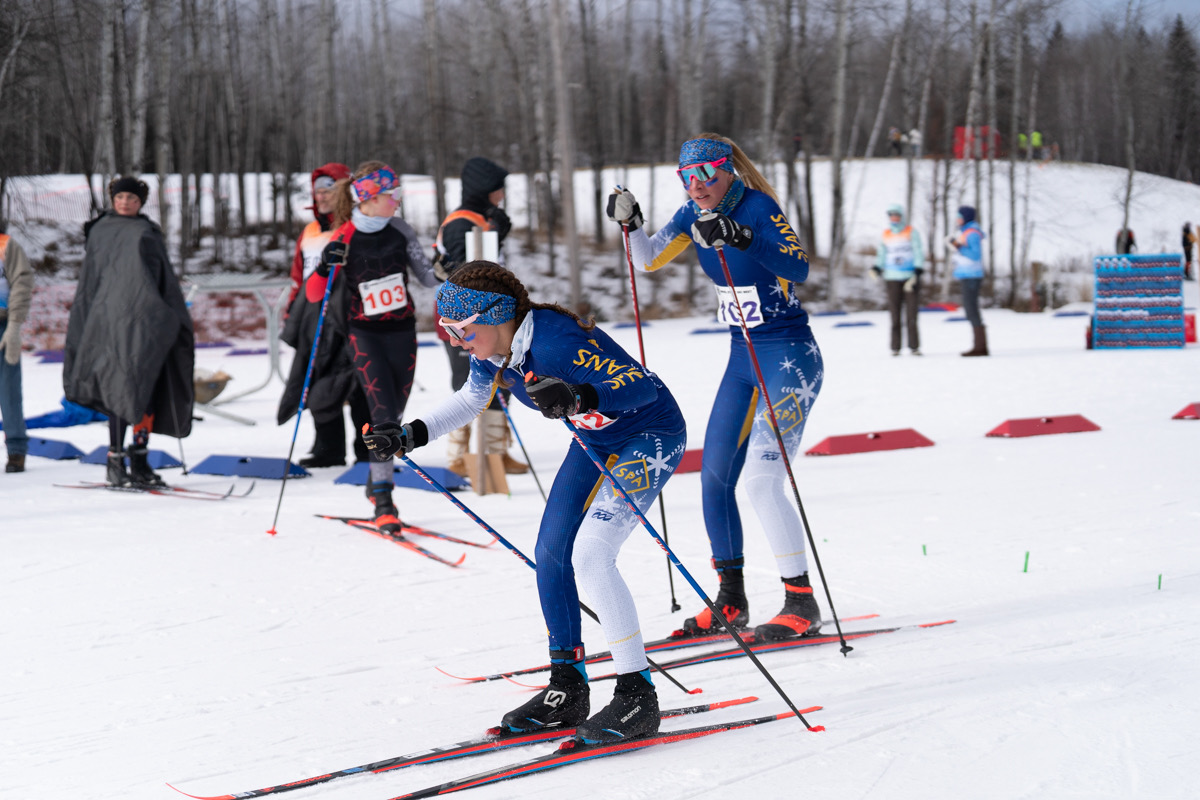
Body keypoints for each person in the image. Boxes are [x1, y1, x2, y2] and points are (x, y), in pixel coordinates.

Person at [364, 262, 686, 743]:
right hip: (596, 444)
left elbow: (640, 386)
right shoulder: (495, 348)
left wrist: (581, 395)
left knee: (592, 555)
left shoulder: (556, 343)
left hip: (649, 434)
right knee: (551, 555)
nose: (454, 340)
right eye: (447, 331)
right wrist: (412, 433)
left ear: (495, 316)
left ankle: (636, 696)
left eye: (460, 329)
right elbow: (472, 399)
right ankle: (568, 687)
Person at [607, 133, 825, 642]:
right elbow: (647, 260)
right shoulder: (690, 215)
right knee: (713, 477)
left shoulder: (758, 206)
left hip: (789, 357)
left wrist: (744, 236)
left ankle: (801, 600)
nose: (698, 185)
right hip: (741, 358)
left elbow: (800, 268)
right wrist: (631, 223)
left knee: (762, 480)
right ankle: (731, 599)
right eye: (688, 176)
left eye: (708, 173)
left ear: (728, 170)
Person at [304, 161, 437, 530]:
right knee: (383, 417)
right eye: (391, 196)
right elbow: (314, 294)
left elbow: (428, 279)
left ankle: (376, 483)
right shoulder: (343, 236)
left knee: (394, 413)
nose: (397, 201)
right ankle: (383, 498)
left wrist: (448, 264)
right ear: (370, 198)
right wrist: (322, 267)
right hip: (364, 334)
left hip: (403, 332)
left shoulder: (400, 229)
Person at [64, 176, 194, 486]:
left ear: (141, 203)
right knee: (119, 390)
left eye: (132, 199)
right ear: (112, 198)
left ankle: (140, 459)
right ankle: (115, 459)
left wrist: (171, 315)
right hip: (107, 323)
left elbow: (160, 278)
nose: (125, 202)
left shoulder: (147, 233)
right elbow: (95, 280)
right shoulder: (100, 231)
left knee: (146, 389)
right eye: (120, 197)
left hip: (145, 322)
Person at [431, 156, 526, 477]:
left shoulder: (482, 216)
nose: (502, 195)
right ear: (486, 188)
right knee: (468, 380)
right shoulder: (461, 221)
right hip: (461, 316)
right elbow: (466, 270)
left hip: (490, 312)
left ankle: (495, 453)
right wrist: (496, 233)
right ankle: (458, 454)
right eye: (498, 188)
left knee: (503, 376)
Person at [277, 162, 372, 468]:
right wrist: (293, 309)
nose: (321, 196)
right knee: (319, 384)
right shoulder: (310, 231)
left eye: (328, 189)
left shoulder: (357, 227)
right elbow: (298, 275)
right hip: (313, 316)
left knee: (359, 385)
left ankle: (367, 448)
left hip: (349, 316)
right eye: (317, 191)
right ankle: (327, 447)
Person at [0, 226, 33, 473]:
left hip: (3, 325)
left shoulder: (6, 246)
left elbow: (21, 282)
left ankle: (16, 450)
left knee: (8, 390)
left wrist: (14, 325)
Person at [872, 203, 925, 356]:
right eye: (891, 215)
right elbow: (882, 253)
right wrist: (877, 267)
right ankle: (895, 347)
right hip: (892, 278)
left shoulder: (911, 232)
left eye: (897, 215)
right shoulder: (886, 233)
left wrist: (918, 268)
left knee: (911, 314)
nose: (894, 218)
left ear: (901, 216)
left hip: (910, 278)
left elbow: (918, 250)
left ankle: (914, 346)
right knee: (895, 314)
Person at [947, 205, 988, 357]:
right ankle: (979, 345)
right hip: (966, 275)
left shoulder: (972, 233)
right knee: (970, 310)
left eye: (959, 216)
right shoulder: (965, 232)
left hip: (972, 275)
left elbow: (975, 255)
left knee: (972, 310)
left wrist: (958, 247)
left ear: (965, 217)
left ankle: (980, 346)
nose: (957, 219)